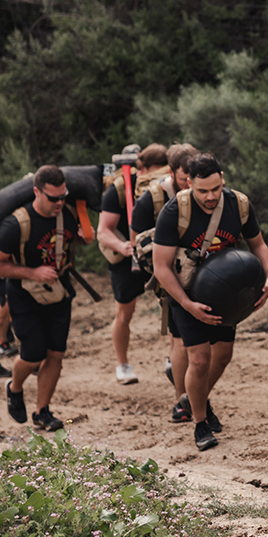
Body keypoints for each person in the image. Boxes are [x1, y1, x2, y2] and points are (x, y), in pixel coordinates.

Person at [152, 153, 268, 451]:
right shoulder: (175, 211)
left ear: (222, 179)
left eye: (216, 189)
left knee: (223, 355)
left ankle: (194, 397)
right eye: (203, 190)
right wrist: (187, 304)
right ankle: (199, 422)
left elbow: (257, 244)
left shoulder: (239, 204)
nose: (210, 196)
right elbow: (161, 267)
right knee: (200, 359)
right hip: (186, 295)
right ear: (189, 183)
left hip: (224, 295)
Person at [0, 165, 82, 431]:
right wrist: (32, 272)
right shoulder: (16, 225)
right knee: (33, 354)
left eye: (63, 196)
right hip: (24, 296)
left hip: (60, 292)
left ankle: (42, 411)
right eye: (53, 198)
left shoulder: (68, 215)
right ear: (37, 192)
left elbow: (71, 244)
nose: (59, 202)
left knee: (56, 354)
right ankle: (14, 387)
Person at [131, 142, 197, 422]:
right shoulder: (152, 198)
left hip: (204, 275)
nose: (191, 183)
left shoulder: (204, 193)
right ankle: (181, 401)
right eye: (185, 178)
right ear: (172, 172)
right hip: (169, 277)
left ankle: (185, 381)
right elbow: (137, 240)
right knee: (180, 340)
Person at [97, 143, 169, 384]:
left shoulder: (169, 184)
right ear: (141, 166)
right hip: (127, 259)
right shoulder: (118, 188)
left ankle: (173, 358)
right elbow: (103, 231)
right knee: (124, 312)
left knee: (172, 307)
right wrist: (123, 247)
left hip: (160, 253)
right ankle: (122, 364)